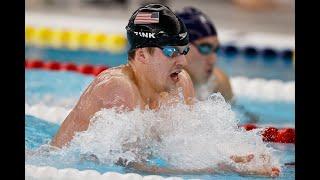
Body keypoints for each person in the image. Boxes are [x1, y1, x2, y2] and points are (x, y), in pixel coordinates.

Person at [51, 4, 279, 177]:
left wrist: (237, 156)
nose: (183, 61)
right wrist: (223, 169)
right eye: (171, 51)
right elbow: (127, 166)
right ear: (141, 55)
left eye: (184, 50)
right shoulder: (118, 89)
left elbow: (190, 144)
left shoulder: (181, 83)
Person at [176, 7, 259, 123]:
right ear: (181, 47)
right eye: (205, 48)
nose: (213, 59)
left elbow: (243, 117)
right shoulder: (162, 86)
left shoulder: (218, 82)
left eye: (216, 49)